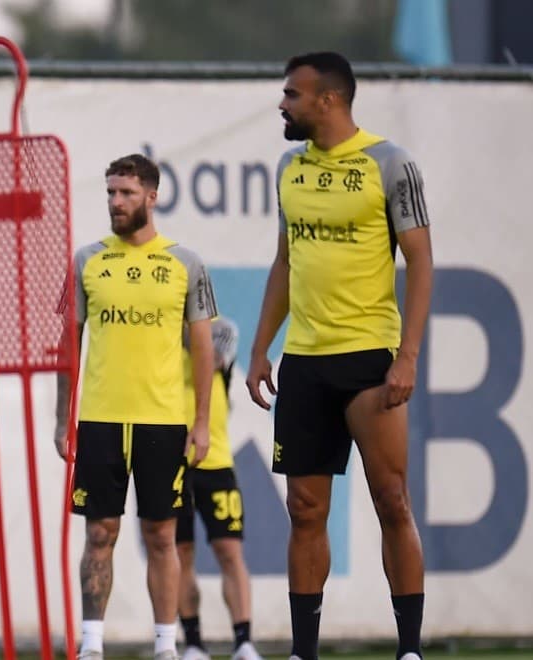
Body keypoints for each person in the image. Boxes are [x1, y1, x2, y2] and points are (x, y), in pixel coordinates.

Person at [245, 52, 432, 660]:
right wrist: (259, 349)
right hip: (304, 362)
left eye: (292, 95)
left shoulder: (390, 164)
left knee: (392, 501)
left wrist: (407, 356)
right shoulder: (288, 167)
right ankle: (304, 652)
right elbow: (285, 261)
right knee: (305, 510)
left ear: (328, 100)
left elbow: (422, 263)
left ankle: (409, 650)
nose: (283, 104)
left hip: (369, 362)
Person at [54, 153, 217, 660]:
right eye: (109, 193)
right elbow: (68, 345)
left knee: (162, 535)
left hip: (164, 421)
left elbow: (203, 348)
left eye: (124, 193)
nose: (115, 202)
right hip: (100, 418)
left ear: (152, 195)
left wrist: (203, 422)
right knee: (99, 532)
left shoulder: (185, 263)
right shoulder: (87, 260)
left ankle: (167, 646)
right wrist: (64, 419)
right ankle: (92, 646)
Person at [175, 316, 263, 660]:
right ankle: (193, 643)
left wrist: (181, 326)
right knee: (180, 554)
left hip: (216, 460)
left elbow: (210, 354)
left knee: (230, 551)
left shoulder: (222, 328)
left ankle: (243, 641)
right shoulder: (163, 329)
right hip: (173, 462)